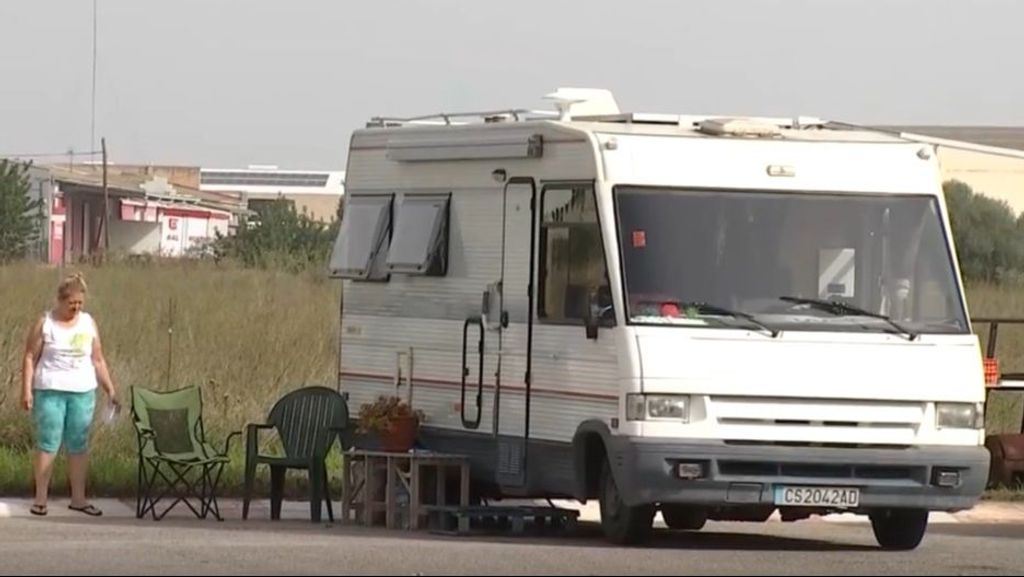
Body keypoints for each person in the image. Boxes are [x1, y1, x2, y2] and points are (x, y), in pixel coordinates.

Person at [19, 272, 119, 517]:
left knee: (78, 445)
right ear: (60, 300)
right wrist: (26, 389)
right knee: (48, 443)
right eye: (71, 303)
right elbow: (30, 356)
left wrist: (110, 389)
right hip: (50, 390)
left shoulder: (88, 322)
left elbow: (97, 359)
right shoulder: (45, 322)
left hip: (82, 391)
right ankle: (40, 499)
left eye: (80, 303)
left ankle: (79, 499)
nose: (75, 308)